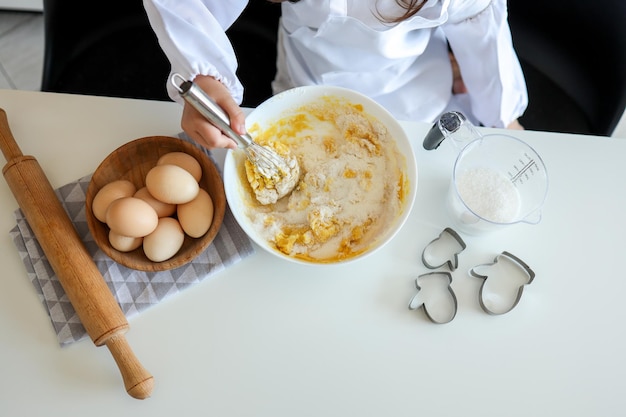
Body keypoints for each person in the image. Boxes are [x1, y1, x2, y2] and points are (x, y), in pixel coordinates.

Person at [143, 0, 528, 150]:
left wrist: (502, 114)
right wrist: (205, 73)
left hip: (415, 96)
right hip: (305, 82)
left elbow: (480, 28)